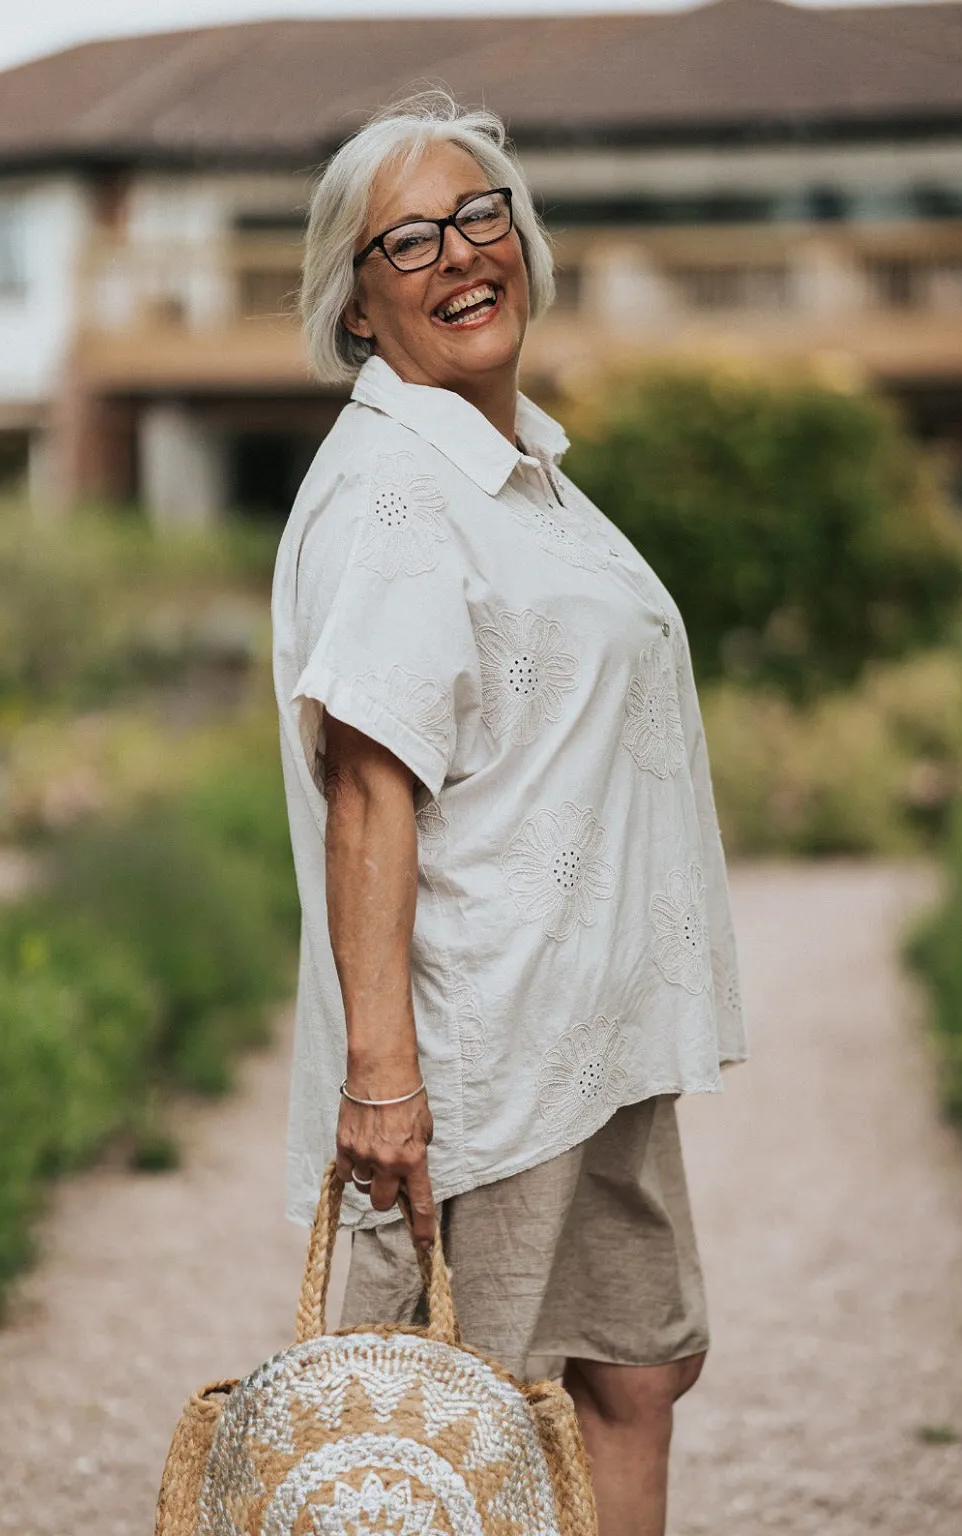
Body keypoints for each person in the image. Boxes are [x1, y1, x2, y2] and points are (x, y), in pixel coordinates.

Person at [271, 90, 747, 1536]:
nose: (457, 253)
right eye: (405, 239)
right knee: (446, 1431)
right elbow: (369, 792)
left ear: (524, 244)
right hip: (486, 1053)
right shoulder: (401, 494)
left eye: (482, 215)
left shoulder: (520, 474)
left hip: (593, 1034)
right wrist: (382, 1086)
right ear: (355, 309)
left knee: (637, 1371)